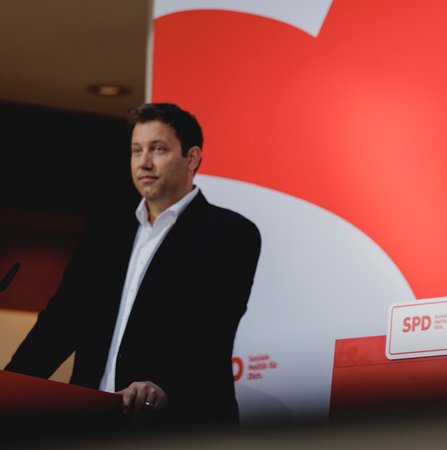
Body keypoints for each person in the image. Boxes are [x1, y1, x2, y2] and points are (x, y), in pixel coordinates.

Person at [6, 103, 261, 426]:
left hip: (179, 423)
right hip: (92, 418)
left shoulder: (229, 233)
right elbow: (63, 317)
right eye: (136, 150)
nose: (144, 162)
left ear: (192, 158)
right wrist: (12, 386)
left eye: (158, 149)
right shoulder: (107, 230)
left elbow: (209, 326)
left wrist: (164, 383)